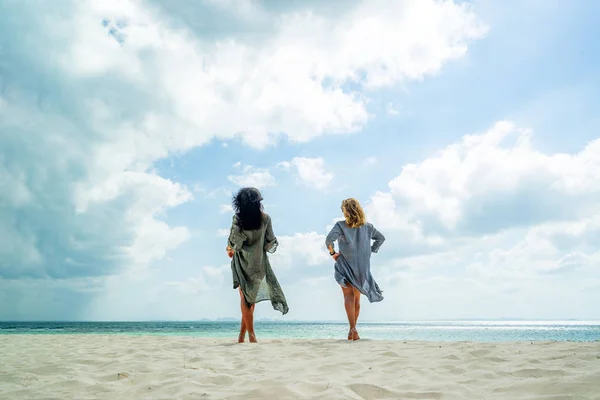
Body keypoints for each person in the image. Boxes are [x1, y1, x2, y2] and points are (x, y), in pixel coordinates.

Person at [226, 187, 288, 343]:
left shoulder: (238, 218)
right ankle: (242, 336)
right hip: (259, 264)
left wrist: (230, 248)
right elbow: (270, 243)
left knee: (245, 299)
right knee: (250, 300)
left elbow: (235, 242)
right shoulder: (265, 219)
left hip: (241, 263)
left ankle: (251, 335)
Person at [325, 198, 385, 340]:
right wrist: (371, 250)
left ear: (346, 211)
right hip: (362, 267)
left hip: (344, 264)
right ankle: (353, 329)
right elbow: (381, 238)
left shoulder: (340, 226)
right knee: (357, 299)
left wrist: (333, 254)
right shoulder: (368, 227)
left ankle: (352, 328)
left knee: (348, 296)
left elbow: (329, 241)